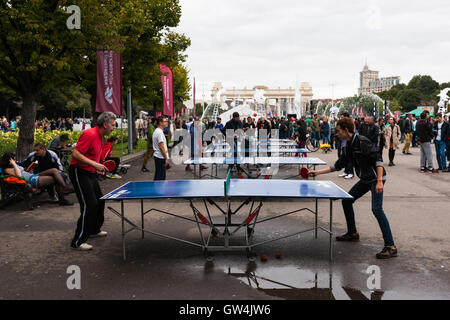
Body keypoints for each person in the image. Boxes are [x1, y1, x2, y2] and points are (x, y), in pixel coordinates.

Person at [309, 117, 397, 259]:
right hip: (365, 179)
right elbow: (338, 165)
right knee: (347, 200)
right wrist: (317, 172)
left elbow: (378, 160)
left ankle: (391, 246)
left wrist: (379, 181)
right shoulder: (349, 145)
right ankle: (352, 233)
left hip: (376, 178)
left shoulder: (362, 141)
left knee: (377, 209)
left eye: (338, 131)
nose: (336, 134)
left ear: (346, 130)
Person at [69, 112, 115, 251]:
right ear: (105, 124)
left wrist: (96, 167)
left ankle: (94, 229)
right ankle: (78, 241)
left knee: (100, 200)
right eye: (113, 125)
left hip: (90, 172)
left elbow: (92, 156)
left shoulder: (101, 136)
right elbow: (75, 154)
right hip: (79, 172)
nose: (114, 127)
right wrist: (95, 165)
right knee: (89, 205)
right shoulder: (90, 134)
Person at [1, 152, 73, 206]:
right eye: (14, 158)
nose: (15, 159)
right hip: (32, 180)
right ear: (10, 160)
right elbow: (19, 175)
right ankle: (63, 197)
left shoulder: (14, 166)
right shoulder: (7, 169)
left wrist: (30, 169)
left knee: (54, 170)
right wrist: (14, 164)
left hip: (32, 176)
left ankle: (64, 190)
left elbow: (22, 173)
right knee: (55, 178)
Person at [153, 116, 170, 180]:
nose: (167, 123)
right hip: (160, 157)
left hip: (158, 156)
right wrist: (166, 158)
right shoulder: (159, 132)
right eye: (165, 121)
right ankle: (160, 190)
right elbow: (161, 146)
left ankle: (155, 189)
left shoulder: (157, 131)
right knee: (161, 178)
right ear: (160, 123)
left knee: (158, 176)